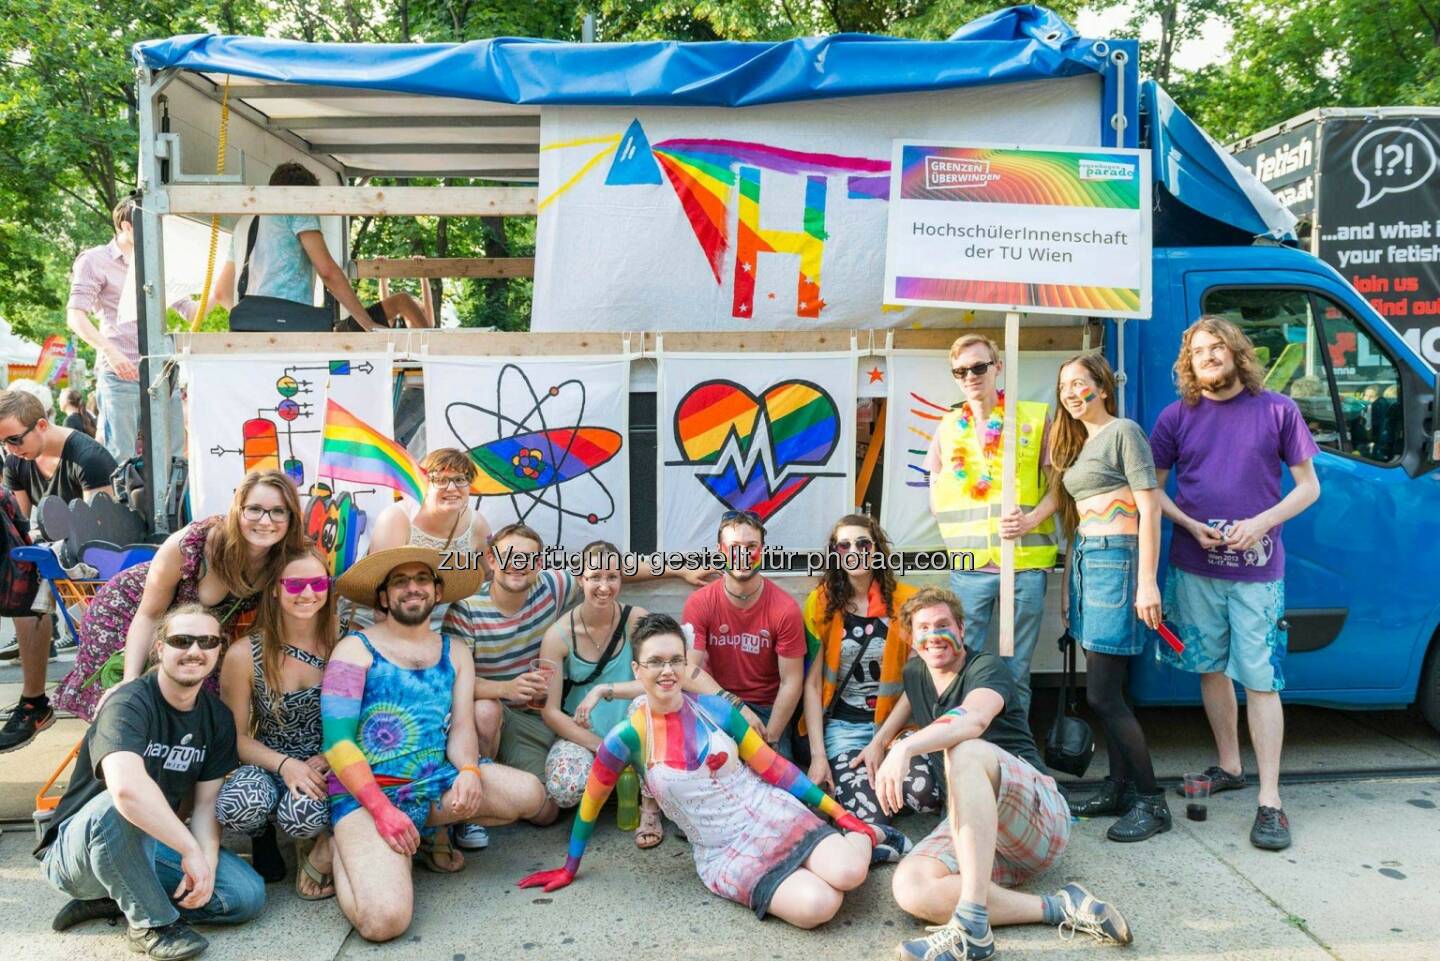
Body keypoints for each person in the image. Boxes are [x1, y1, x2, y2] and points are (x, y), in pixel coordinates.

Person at [520, 613, 901, 929]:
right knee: (817, 907)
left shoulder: (716, 710)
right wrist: (570, 868)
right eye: (655, 661)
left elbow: (776, 770)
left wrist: (841, 813)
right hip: (725, 851)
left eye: (675, 660)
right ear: (638, 669)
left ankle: (867, 837)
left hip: (773, 813)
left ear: (687, 664)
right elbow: (590, 804)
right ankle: (842, 850)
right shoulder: (627, 737)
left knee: (850, 872)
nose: (666, 671)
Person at [884, 588, 1130, 960]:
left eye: (943, 625)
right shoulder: (916, 670)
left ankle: (970, 929)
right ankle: (1062, 906)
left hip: (1038, 817)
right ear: (911, 639)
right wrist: (881, 741)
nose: (934, 635)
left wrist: (906, 746)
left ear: (962, 629)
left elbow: (973, 718)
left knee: (965, 749)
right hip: (976, 835)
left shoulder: (986, 668)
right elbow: (910, 697)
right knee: (911, 887)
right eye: (923, 628)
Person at [1149, 316, 1321, 851]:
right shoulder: (1176, 416)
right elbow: (1150, 493)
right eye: (1198, 350)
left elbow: (1309, 487)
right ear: (1189, 363)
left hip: (1257, 573)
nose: (1207, 356)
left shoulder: (1277, 409)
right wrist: (1186, 523)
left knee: (1262, 679)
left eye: (1216, 346)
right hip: (1194, 567)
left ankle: (1270, 800)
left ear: (1236, 352)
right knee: (1209, 668)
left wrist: (1262, 522)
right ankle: (1229, 765)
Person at [324, 547, 547, 942]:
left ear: (437, 591)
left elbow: (461, 727)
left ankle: (423, 835)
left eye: (422, 579)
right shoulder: (354, 649)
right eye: (400, 581)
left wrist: (469, 771)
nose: (413, 588)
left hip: (432, 785)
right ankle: (336, 848)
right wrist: (382, 811)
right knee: (384, 922)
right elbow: (337, 743)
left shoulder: (455, 651)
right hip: (368, 794)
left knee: (530, 794)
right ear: (383, 597)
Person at [443, 521, 710, 831]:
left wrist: (679, 569)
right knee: (486, 711)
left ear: (538, 564)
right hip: (499, 708)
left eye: (526, 558)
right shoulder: (467, 609)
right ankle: (473, 805)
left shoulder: (550, 586)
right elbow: (452, 680)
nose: (517, 565)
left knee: (547, 812)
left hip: (537, 713)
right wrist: (505, 688)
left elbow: (611, 568)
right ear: (492, 560)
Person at [36, 604, 264, 960]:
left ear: (219, 650)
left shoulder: (216, 717)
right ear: (159, 648)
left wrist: (205, 865)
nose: (194, 651)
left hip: (150, 843)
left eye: (207, 641)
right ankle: (150, 924)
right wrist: (188, 850)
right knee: (120, 804)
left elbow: (206, 806)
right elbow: (126, 791)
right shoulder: (128, 703)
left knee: (244, 895)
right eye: (181, 640)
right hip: (77, 852)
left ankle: (114, 901)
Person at [538, 540, 750, 848]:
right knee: (564, 787)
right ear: (580, 579)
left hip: (638, 727)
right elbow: (550, 711)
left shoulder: (635, 619)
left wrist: (734, 706)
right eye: (594, 577)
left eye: (612, 577)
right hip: (587, 734)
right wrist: (601, 747)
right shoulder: (558, 636)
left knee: (647, 701)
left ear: (622, 579)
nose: (603, 586)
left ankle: (650, 808)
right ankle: (606, 790)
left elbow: (670, 676)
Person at [51, 469, 307, 722]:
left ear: (291, 517)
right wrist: (130, 679)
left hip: (191, 632)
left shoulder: (287, 557)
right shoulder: (193, 545)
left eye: (278, 511)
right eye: (254, 509)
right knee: (134, 707)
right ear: (237, 511)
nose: (265, 521)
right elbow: (149, 614)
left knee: (201, 706)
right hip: (129, 612)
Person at [1049, 354, 1170, 841]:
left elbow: (1150, 509)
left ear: (1101, 385)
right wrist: (1067, 586)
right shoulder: (1083, 442)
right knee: (1109, 693)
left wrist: (1147, 581)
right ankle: (1119, 786)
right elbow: (1075, 520)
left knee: (1102, 693)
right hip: (1087, 562)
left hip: (1117, 562)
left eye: (1080, 383)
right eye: (1064, 387)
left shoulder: (1124, 432)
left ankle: (1152, 801)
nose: (1071, 393)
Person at [924, 334, 1059, 718]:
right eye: (961, 370)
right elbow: (934, 487)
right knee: (963, 667)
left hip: (1025, 562)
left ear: (998, 367)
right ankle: (968, 755)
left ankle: (1019, 760)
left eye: (979, 366)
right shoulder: (948, 427)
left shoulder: (1033, 418)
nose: (971, 375)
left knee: (1015, 672)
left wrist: (1030, 519)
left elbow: (1058, 488)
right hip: (970, 568)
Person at [800, 514, 939, 833]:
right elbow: (811, 686)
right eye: (844, 544)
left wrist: (881, 741)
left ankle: (882, 785)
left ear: (877, 549)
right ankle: (875, 791)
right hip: (844, 727)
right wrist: (818, 756)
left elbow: (917, 682)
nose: (854, 550)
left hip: (898, 725)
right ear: (835, 553)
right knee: (871, 819)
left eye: (863, 543)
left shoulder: (907, 602)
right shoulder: (820, 603)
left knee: (924, 795)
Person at [0, 388, 117, 752]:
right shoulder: (17, 460)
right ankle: (35, 703)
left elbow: (100, 531)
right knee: (26, 583)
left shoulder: (88, 458)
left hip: (99, 564)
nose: (10, 449)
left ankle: (41, 703)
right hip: (56, 555)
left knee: (36, 587)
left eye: (15, 439)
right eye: (2, 443)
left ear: (41, 424)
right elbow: (18, 524)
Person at [216, 547, 336, 900]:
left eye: (317, 582)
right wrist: (285, 765)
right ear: (274, 588)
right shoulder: (244, 653)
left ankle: (311, 842)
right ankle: (261, 831)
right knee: (237, 804)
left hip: (328, 761)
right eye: (295, 584)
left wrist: (333, 754)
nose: (308, 593)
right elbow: (235, 739)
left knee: (303, 817)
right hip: (269, 759)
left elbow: (371, 714)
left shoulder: (346, 639)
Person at [209, 162, 433, 332]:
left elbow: (221, 292)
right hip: (291, 326)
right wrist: (368, 324)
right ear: (307, 194)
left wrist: (252, 317)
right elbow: (327, 272)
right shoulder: (297, 206)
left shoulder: (244, 223)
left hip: (248, 333)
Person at [67, 197, 194, 462]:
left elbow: (188, 308)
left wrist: (218, 296)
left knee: (173, 454)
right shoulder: (94, 260)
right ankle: (122, 504)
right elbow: (75, 316)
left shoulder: (159, 260)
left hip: (162, 370)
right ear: (126, 226)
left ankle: (172, 504)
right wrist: (110, 352)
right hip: (121, 371)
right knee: (120, 455)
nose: (156, 232)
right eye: (148, 225)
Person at [682, 509, 806, 758]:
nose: (743, 555)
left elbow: (791, 682)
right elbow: (687, 670)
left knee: (774, 783)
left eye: (751, 546)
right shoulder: (700, 603)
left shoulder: (785, 609)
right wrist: (735, 707)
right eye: (734, 546)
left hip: (767, 711)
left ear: (763, 551)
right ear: (720, 551)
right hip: (715, 703)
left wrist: (770, 740)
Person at [365, 446, 493, 590]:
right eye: (441, 480)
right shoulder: (396, 518)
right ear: (423, 484)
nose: (451, 488)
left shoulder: (476, 523)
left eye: (459, 479)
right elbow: (377, 585)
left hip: (454, 610)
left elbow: (490, 574)